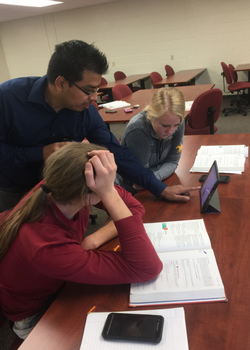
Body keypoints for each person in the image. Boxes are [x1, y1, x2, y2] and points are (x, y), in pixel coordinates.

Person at [0, 40, 199, 212]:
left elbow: (115, 151)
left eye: (96, 89)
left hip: (61, 188)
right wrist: (40, 153)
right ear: (60, 83)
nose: (94, 98)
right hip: (15, 187)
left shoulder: (85, 110)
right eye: (88, 90)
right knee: (14, 243)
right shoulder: (8, 99)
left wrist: (159, 188)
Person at [0, 142, 163, 339]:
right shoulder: (46, 246)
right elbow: (146, 268)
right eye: (107, 185)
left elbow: (135, 209)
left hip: (56, 280)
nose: (111, 189)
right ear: (91, 194)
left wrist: (94, 238)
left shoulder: (56, 187)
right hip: (33, 313)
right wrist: (109, 193)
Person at [116, 87, 185, 193]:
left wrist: (153, 177)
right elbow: (140, 178)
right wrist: (154, 176)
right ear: (152, 116)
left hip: (154, 182)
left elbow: (172, 161)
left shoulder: (177, 121)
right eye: (165, 125)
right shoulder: (138, 130)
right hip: (128, 189)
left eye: (175, 125)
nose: (171, 131)